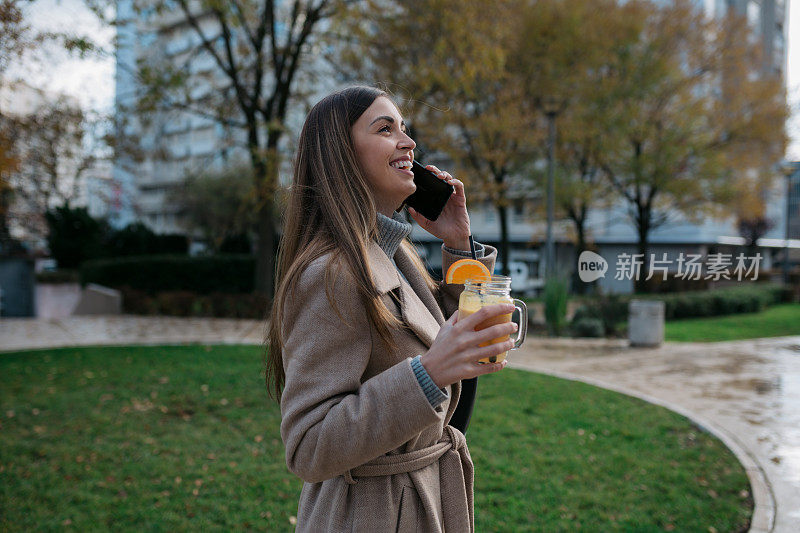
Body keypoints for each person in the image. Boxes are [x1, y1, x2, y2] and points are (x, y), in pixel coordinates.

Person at [266, 86, 517, 532]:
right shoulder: (329, 273)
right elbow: (308, 445)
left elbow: (450, 337)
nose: (409, 141)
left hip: (420, 500)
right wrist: (429, 373)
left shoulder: (391, 255)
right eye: (385, 129)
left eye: (404, 127)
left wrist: (459, 245)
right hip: (371, 514)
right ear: (341, 156)